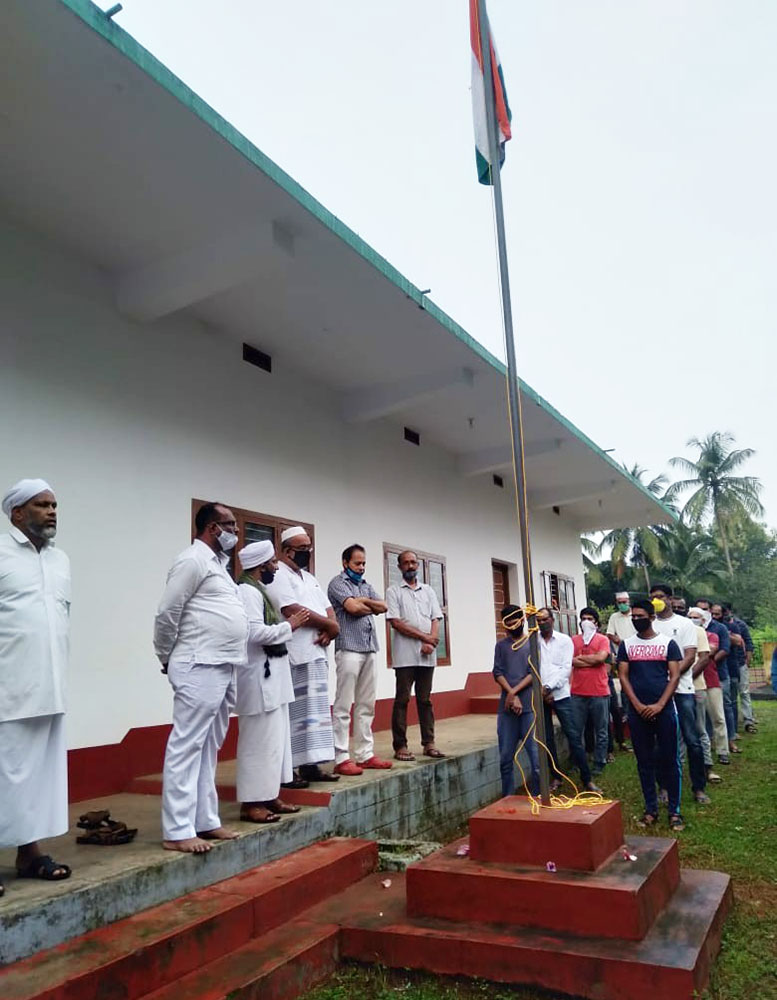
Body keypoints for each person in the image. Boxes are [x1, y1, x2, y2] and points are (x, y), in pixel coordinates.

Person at [154, 502, 247, 853]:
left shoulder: (218, 566)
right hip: (198, 662)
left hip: (223, 663)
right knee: (187, 744)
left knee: (209, 746)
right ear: (212, 528)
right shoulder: (191, 560)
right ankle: (177, 830)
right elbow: (167, 612)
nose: (235, 533)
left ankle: (205, 820)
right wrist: (166, 656)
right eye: (231, 526)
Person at [0, 479, 71, 893]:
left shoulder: (61, 560)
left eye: (54, 504)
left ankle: (30, 853)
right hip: (8, 682)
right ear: (17, 513)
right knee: (4, 772)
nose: (51, 511)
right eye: (42, 505)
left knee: (39, 775)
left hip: (50, 682)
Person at [236, 541, 309, 823]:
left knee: (276, 742)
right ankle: (251, 803)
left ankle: (270, 795)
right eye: (272, 563)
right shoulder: (247, 592)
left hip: (274, 678)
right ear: (261, 565)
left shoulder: (260, 591)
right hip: (258, 679)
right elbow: (254, 633)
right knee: (258, 743)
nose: (276, 567)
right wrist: (289, 626)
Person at [266, 526, 340, 784]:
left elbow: (328, 608)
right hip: (295, 654)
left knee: (316, 712)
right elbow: (291, 609)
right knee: (296, 713)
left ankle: (312, 765)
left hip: (317, 651)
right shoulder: (278, 575)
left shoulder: (309, 578)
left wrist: (332, 628)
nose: (307, 553)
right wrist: (328, 626)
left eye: (309, 547)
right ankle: (290, 770)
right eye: (302, 548)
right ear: (286, 551)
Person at [617, 599, 684, 831]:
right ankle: (651, 808)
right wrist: (636, 704)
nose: (636, 620)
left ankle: (675, 811)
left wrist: (659, 705)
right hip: (637, 713)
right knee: (644, 762)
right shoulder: (626, 645)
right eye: (633, 617)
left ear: (651, 617)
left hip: (665, 711)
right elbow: (623, 676)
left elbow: (674, 676)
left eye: (640, 616)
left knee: (670, 760)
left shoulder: (668, 644)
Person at [327, 545, 392, 776]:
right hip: (348, 648)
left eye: (364, 563)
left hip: (369, 648)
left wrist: (363, 600)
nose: (361, 568)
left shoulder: (365, 585)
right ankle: (341, 756)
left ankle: (365, 754)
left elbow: (384, 606)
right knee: (344, 704)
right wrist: (365, 605)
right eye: (357, 563)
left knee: (366, 704)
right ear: (345, 563)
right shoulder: (337, 583)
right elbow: (352, 608)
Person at [649, 585, 709, 805]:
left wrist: (670, 677)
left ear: (669, 599)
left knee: (692, 740)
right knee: (659, 742)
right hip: (656, 692)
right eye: (653, 597)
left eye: (660, 597)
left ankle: (699, 787)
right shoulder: (649, 624)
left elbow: (690, 655)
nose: (657, 600)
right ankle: (663, 786)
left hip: (682, 689)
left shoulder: (684, 624)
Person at [386, 550, 446, 761]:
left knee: (425, 700)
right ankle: (400, 746)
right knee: (402, 700)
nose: (410, 566)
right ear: (400, 566)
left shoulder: (428, 590)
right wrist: (426, 638)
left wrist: (432, 640)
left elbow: (436, 618)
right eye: (406, 563)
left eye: (413, 562)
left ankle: (429, 743)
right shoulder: (393, 591)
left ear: (418, 566)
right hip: (404, 656)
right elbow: (396, 622)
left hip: (427, 656)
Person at [536, 607, 600, 793]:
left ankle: (586, 779)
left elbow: (566, 669)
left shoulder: (564, 641)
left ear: (552, 620)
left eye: (545, 619)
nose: (541, 623)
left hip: (560, 694)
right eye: (538, 620)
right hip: (540, 694)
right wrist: (541, 689)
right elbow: (532, 667)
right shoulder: (533, 641)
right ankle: (556, 777)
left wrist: (549, 688)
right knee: (546, 739)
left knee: (573, 736)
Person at [492, 605, 540, 797]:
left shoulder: (532, 643)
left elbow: (534, 672)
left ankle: (537, 795)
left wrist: (515, 693)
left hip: (529, 707)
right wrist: (510, 694)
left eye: (515, 622)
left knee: (535, 759)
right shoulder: (501, 646)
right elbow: (497, 672)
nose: (512, 627)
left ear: (522, 620)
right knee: (505, 758)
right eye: (508, 624)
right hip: (507, 710)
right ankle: (508, 797)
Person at [570, 608, 611, 777]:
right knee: (576, 730)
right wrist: (592, 660)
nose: (586, 621)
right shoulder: (573, 640)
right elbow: (569, 660)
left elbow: (601, 658)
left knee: (601, 730)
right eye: (583, 618)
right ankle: (578, 762)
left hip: (599, 691)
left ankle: (599, 762)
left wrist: (581, 660)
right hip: (578, 691)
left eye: (590, 618)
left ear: (596, 622)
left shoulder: (603, 639)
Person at [688, 606, 725, 781]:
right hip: (678, 688)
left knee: (702, 727)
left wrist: (686, 677)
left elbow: (707, 655)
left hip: (699, 686)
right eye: (690, 616)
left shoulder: (705, 634)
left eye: (697, 617)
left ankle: (708, 766)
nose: (693, 619)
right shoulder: (682, 632)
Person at [696, 598, 733, 753]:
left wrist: (707, 663)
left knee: (720, 714)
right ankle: (705, 748)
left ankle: (724, 748)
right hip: (695, 681)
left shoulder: (717, 630)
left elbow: (721, 649)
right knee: (700, 720)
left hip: (714, 676)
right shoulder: (686, 630)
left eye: (704, 610)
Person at [604, 591, 633, 755]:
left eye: (624, 601)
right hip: (622, 655)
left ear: (629, 601)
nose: (622, 604)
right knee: (624, 686)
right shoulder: (614, 617)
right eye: (619, 602)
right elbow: (610, 633)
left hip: (638, 653)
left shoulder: (634, 615)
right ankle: (626, 716)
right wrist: (622, 643)